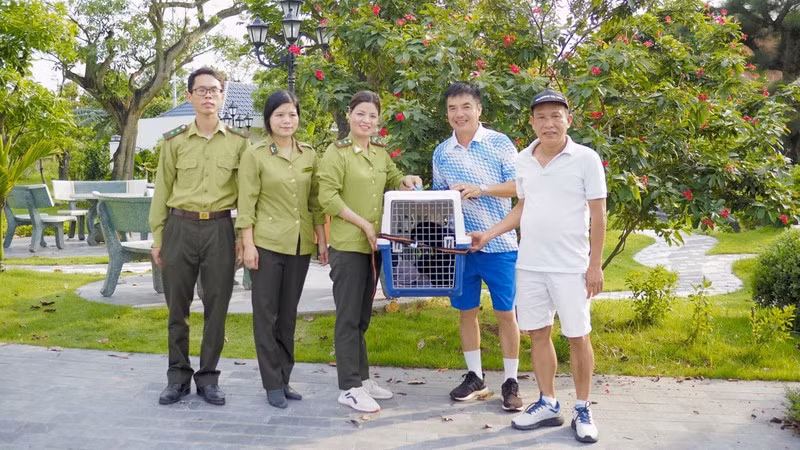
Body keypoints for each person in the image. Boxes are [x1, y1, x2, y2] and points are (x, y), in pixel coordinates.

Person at [469, 89, 607, 443]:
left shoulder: (585, 159)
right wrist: (489, 233)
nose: (549, 123)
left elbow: (598, 215)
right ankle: (548, 402)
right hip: (530, 264)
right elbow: (522, 207)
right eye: (541, 117)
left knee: (578, 335)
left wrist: (595, 265)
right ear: (532, 122)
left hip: (571, 267)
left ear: (568, 120)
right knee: (539, 333)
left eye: (556, 116)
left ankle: (582, 407)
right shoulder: (523, 159)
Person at [317, 90, 422, 413]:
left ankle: (361, 379)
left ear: (378, 122)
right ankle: (348, 387)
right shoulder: (336, 153)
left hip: (375, 248)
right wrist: (363, 223)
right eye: (361, 113)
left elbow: (392, 179)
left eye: (373, 116)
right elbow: (328, 198)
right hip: (349, 246)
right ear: (349, 115)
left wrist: (406, 179)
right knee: (348, 317)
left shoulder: (378, 153)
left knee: (362, 317)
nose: (366, 120)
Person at [149, 67, 248, 406]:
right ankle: (177, 377)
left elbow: (246, 195)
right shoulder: (174, 141)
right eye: (201, 90)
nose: (208, 95)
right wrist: (158, 238)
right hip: (180, 227)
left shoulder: (239, 143)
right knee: (178, 308)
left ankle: (208, 378)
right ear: (189, 96)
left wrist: (241, 236)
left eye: (214, 90)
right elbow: (162, 191)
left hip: (220, 229)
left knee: (216, 307)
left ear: (222, 96)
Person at [431, 82, 522, 412]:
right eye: (453, 108)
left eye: (466, 106)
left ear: (479, 109)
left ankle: (511, 380)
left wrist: (480, 189)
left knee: (505, 313)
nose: (460, 114)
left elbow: (518, 187)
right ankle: (475, 377)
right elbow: (438, 201)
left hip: (500, 244)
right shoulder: (441, 152)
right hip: (460, 249)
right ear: (447, 114)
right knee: (466, 311)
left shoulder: (499, 143)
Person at [236, 90, 328, 409]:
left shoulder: (309, 155)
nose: (287, 120)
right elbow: (245, 203)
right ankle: (271, 382)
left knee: (288, 315)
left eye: (291, 114)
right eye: (280, 115)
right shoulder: (256, 154)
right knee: (266, 315)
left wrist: (321, 240)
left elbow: (315, 202)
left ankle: (284, 378)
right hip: (266, 245)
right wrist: (248, 245)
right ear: (269, 119)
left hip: (300, 245)